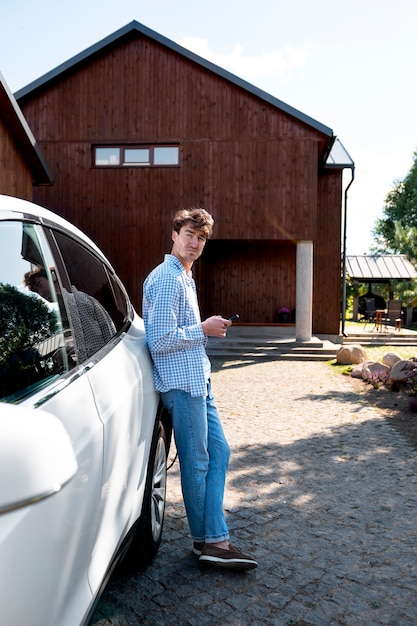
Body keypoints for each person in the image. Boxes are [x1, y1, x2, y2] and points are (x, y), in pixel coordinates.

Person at [143, 207, 257, 570]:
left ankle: (211, 537)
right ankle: (212, 541)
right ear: (174, 234)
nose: (194, 242)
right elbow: (158, 340)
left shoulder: (184, 278)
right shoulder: (167, 278)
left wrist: (205, 329)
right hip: (181, 387)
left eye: (201, 237)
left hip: (198, 382)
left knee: (218, 452)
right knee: (197, 464)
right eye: (189, 234)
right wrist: (202, 329)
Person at [24, 266, 115, 363]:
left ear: (53, 278)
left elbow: (97, 351)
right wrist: (72, 349)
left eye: (41, 285)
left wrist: (68, 360)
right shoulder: (73, 300)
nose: (41, 293)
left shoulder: (74, 303)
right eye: (37, 291)